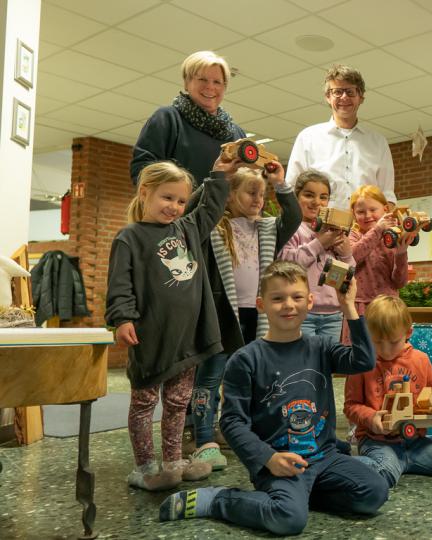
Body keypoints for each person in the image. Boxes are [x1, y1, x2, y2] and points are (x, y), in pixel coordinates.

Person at [158, 261, 389, 535]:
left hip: (324, 457)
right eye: (277, 298)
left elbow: (363, 360)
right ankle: (218, 500)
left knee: (375, 493)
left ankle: (299, 497)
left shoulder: (322, 346)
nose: (288, 305)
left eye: (297, 297)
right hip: (278, 462)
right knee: (288, 520)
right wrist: (268, 459)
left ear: (310, 302)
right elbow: (232, 422)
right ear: (261, 304)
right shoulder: (245, 360)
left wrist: (348, 307)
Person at [105, 158, 237, 491]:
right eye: (167, 198)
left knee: (179, 403)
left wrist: (220, 175)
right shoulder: (129, 238)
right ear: (145, 192)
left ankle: (174, 459)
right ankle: (145, 466)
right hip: (152, 336)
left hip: (188, 338)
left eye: (181, 200)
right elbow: (120, 284)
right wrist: (122, 318)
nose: (175, 207)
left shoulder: (188, 229)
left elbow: (210, 209)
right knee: (144, 402)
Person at [189, 163, 300, 471]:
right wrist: (217, 178)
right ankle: (203, 440)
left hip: (256, 316)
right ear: (229, 195)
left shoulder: (266, 227)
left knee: (254, 379)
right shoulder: (214, 227)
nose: (258, 200)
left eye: (262, 194)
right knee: (210, 378)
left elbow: (293, 217)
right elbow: (192, 208)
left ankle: (246, 432)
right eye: (251, 192)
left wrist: (280, 184)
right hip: (222, 315)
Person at [343, 295, 432, 488]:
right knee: (381, 475)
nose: (386, 350)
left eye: (393, 342)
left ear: (408, 333)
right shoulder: (362, 363)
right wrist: (371, 418)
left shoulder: (420, 360)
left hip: (416, 443)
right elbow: (350, 406)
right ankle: (344, 466)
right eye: (377, 342)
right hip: (377, 442)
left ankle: (402, 463)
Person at [285, 64, 396, 208]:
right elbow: (292, 188)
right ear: (328, 97)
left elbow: (387, 195)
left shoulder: (378, 142)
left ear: (361, 97)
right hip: (318, 228)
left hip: (366, 227)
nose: (344, 97)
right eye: (337, 92)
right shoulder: (308, 138)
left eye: (350, 92)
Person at [130, 51, 246, 187]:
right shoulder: (168, 119)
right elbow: (142, 171)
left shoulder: (237, 135)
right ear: (186, 82)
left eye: (217, 82)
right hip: (177, 207)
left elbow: (245, 183)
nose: (210, 86)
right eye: (202, 79)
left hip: (222, 208)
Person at [279, 170, 354, 344]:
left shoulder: (333, 231)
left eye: (323, 197)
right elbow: (288, 265)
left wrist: (347, 254)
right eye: (309, 195)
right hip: (302, 312)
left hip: (333, 314)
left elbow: (349, 275)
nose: (316, 202)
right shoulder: (293, 229)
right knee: (302, 363)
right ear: (297, 197)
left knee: (326, 365)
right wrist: (320, 243)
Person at [347, 185, 410, 320]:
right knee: (360, 341)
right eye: (361, 212)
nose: (367, 215)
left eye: (373, 209)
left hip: (388, 308)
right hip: (360, 307)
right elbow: (352, 257)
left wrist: (401, 253)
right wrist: (377, 229)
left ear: (385, 209)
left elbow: (400, 282)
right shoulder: (353, 235)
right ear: (354, 213)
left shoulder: (392, 236)